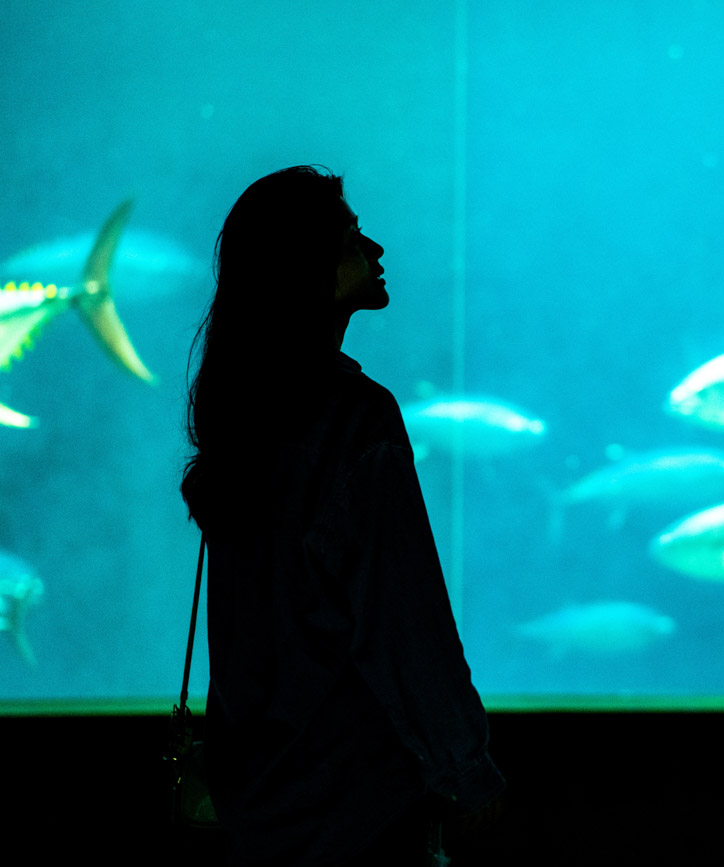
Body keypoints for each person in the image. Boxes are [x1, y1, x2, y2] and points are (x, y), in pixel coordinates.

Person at [181, 166, 506, 865]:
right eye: (355, 236)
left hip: (258, 812)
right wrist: (468, 774)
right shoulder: (356, 420)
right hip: (355, 813)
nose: (378, 249)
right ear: (308, 265)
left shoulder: (240, 415)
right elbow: (406, 623)